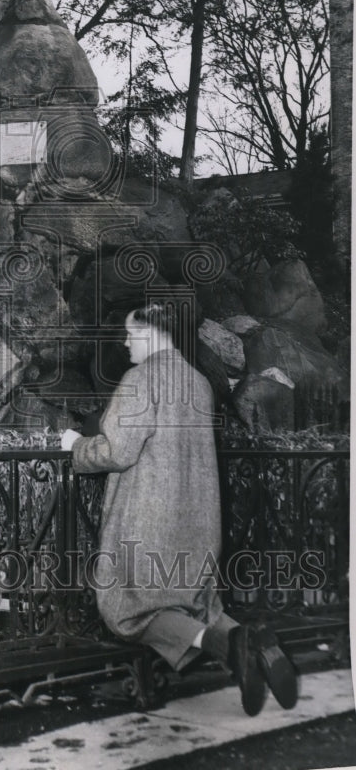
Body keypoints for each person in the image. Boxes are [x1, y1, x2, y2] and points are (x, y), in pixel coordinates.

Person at [61, 302, 298, 716]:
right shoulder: (198, 382)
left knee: (128, 611)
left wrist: (76, 446)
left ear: (152, 334)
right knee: (197, 603)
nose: (126, 342)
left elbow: (118, 450)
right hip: (196, 519)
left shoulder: (140, 380)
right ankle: (254, 640)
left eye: (131, 334)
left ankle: (230, 644)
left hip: (148, 522)